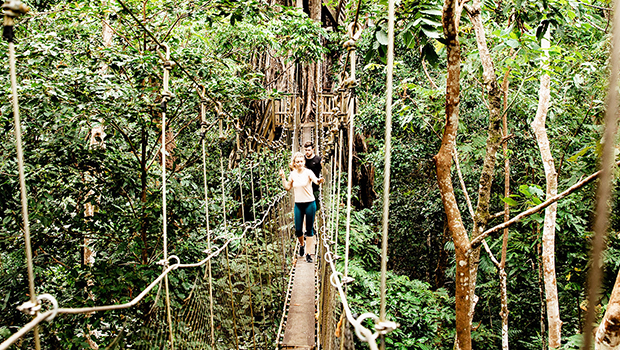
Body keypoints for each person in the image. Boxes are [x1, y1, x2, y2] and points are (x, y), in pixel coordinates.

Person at [279, 152, 325, 263]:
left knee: (309, 229)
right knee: (298, 230)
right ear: (294, 163)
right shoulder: (293, 174)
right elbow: (287, 188)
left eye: (301, 161)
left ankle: (308, 254)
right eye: (297, 162)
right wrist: (283, 177)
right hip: (298, 204)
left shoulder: (308, 172)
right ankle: (302, 244)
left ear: (304, 162)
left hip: (310, 203)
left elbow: (315, 180)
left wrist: (319, 181)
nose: (300, 163)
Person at [303, 141, 322, 211]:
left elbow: (324, 172)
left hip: (315, 187)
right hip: (304, 187)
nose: (307, 152)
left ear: (313, 150)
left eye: (309, 150)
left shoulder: (318, 160)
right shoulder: (302, 160)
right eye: (305, 150)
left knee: (315, 209)